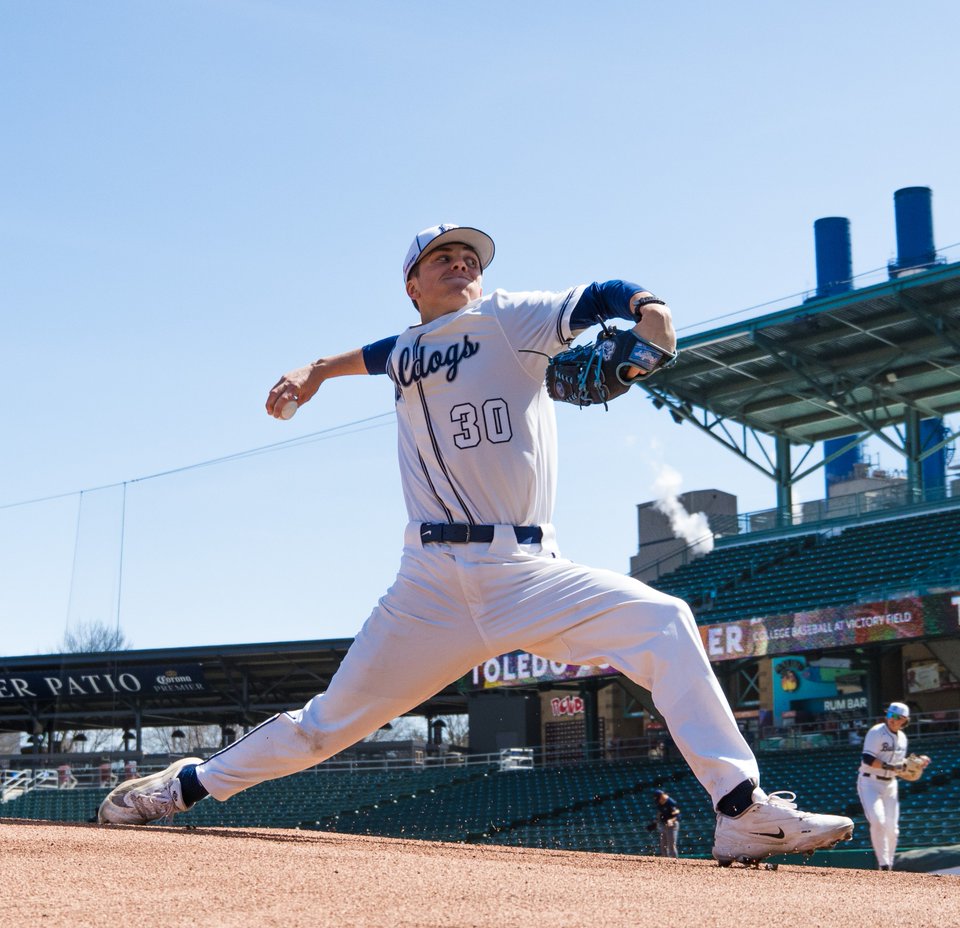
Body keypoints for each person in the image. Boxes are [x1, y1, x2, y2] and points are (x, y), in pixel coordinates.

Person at [98, 223, 853, 865]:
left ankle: (740, 809)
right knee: (327, 726)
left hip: (522, 570)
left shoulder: (510, 318)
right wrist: (315, 371)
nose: (462, 264)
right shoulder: (405, 349)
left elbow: (600, 296)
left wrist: (649, 310)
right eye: (444, 258)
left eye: (471, 258)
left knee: (665, 622)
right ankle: (182, 787)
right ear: (412, 285)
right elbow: (372, 354)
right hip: (428, 583)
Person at [857, 701, 929, 870]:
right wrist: (892, 767)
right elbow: (867, 759)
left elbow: (901, 765)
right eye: (890, 714)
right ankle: (883, 864)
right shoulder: (877, 732)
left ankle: (888, 866)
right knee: (878, 821)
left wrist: (919, 762)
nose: (892, 719)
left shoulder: (902, 738)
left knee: (893, 829)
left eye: (897, 717)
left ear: (905, 720)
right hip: (870, 782)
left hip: (890, 785)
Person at [648, 788, 681, 858]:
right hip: (664, 824)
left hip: (672, 825)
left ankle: (674, 861)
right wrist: (656, 822)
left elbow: (677, 816)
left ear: (661, 796)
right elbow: (659, 813)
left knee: (671, 845)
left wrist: (671, 820)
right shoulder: (659, 803)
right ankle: (665, 860)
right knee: (663, 845)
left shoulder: (671, 803)